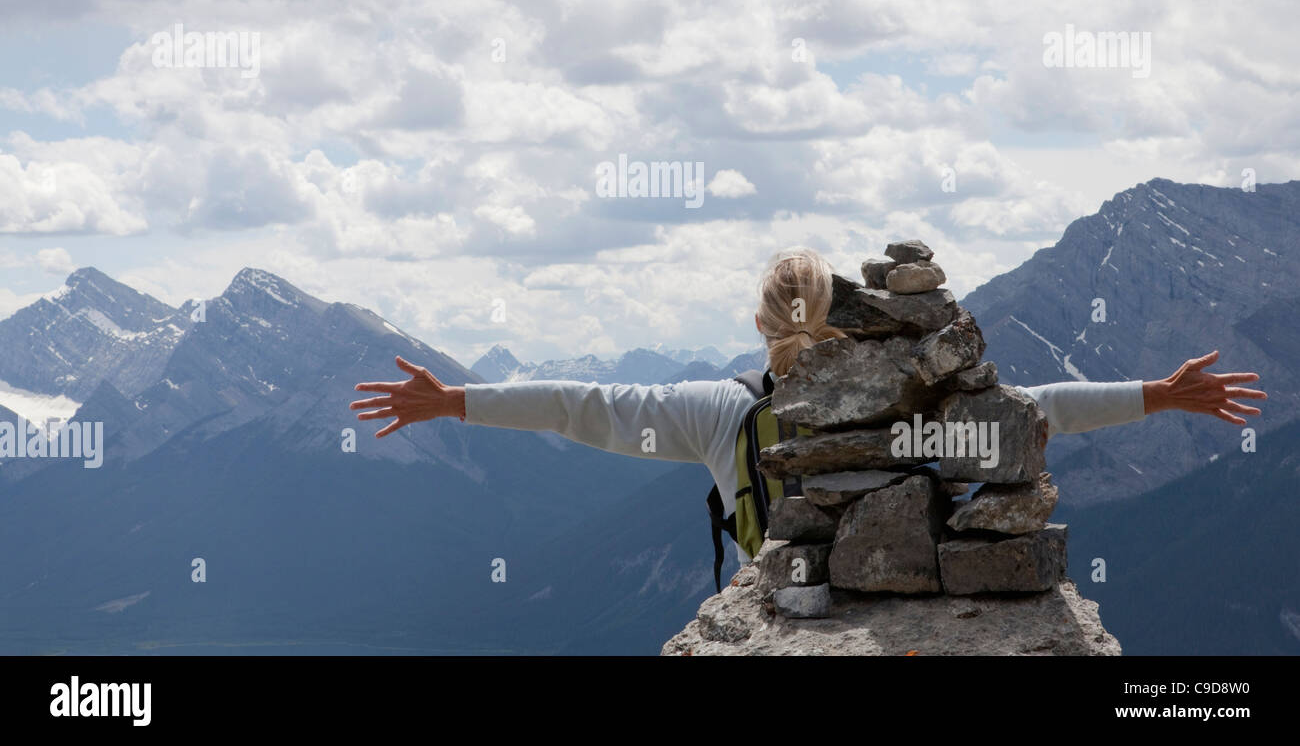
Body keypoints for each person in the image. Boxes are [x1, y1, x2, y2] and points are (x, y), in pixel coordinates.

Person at [351, 246, 1266, 564]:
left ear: (758, 324)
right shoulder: (913, 399)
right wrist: (1162, 393)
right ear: (857, 316)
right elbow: (1040, 413)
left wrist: (455, 402)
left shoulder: (722, 415)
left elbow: (580, 405)